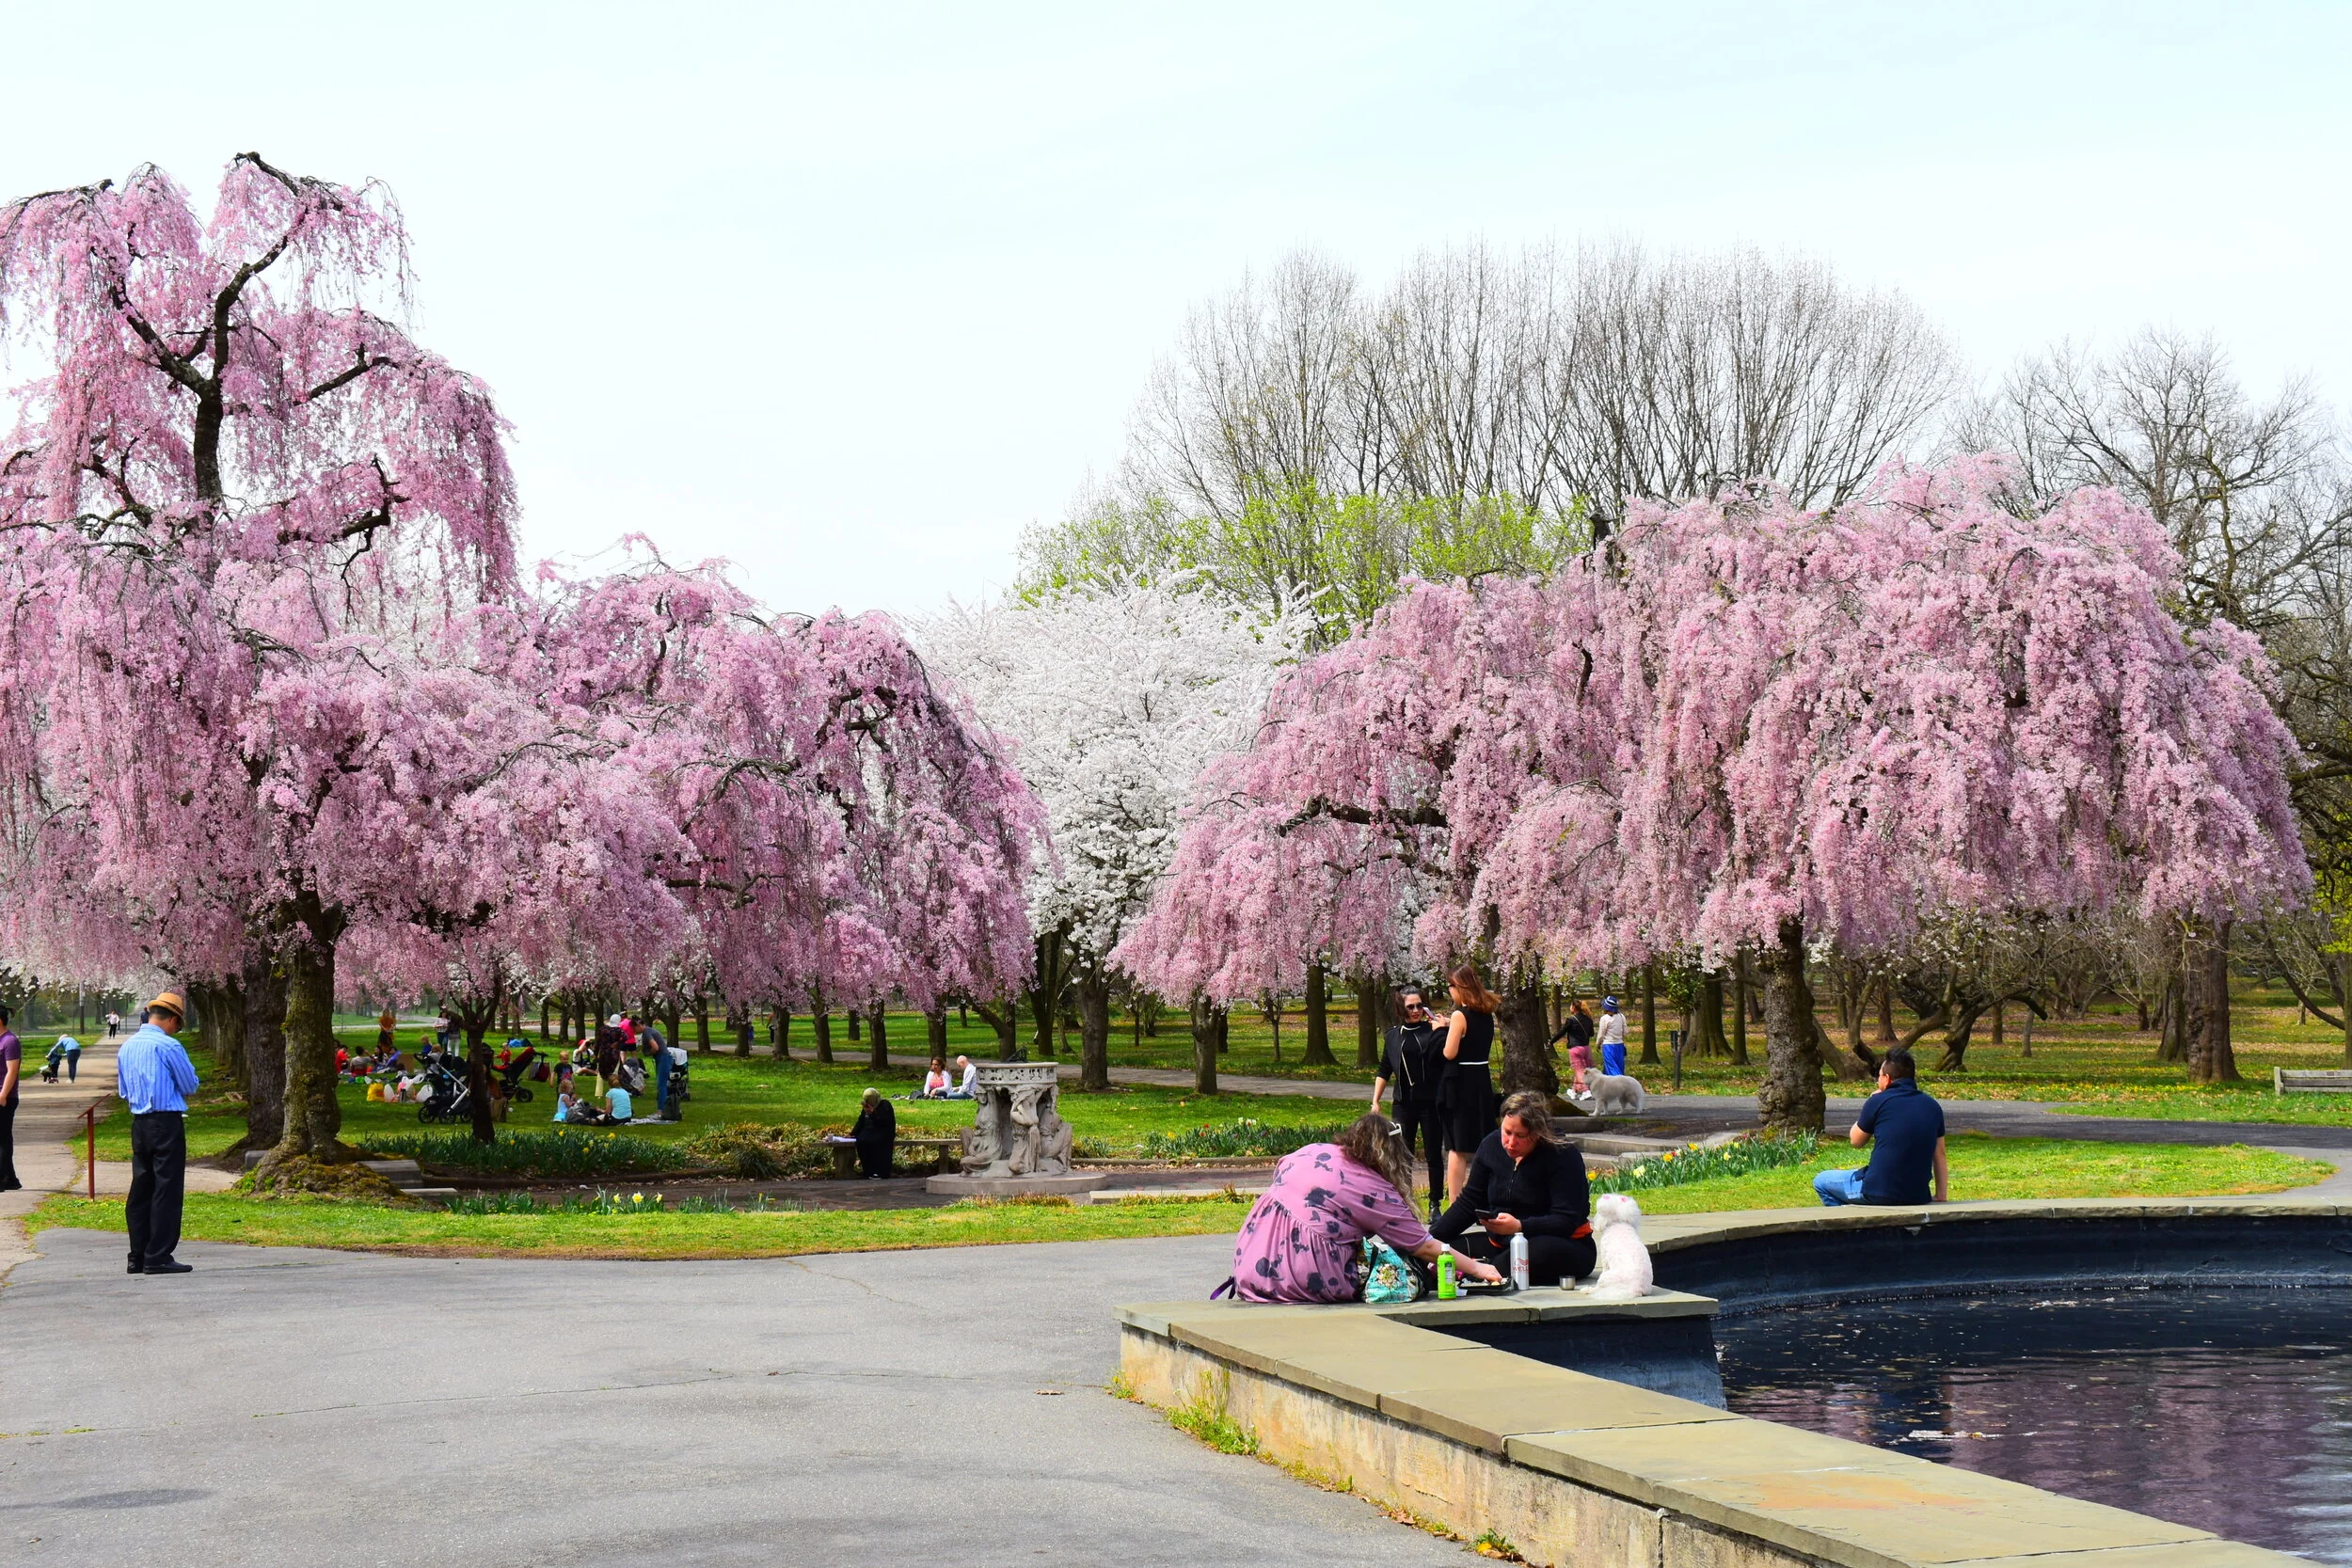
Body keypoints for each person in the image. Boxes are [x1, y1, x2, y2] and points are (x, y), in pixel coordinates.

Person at [1227, 1113, 1502, 1302]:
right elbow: (1423, 1246)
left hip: (1251, 1265)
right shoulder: (1372, 1188)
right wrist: (1477, 1269)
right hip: (1303, 1276)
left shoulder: (1310, 1151)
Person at [1432, 1089, 1597, 1287]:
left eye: (1520, 1136)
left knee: (1511, 1261)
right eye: (1507, 1132)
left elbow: (1566, 1220)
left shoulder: (1563, 1155)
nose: (1510, 1143)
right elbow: (1469, 1202)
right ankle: (1473, 1273)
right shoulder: (1491, 1146)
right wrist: (1428, 1239)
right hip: (1500, 1243)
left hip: (1562, 1244)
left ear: (1537, 1134)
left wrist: (1520, 1226)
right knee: (1443, 1253)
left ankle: (1479, 1276)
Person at [118, 990, 199, 1275]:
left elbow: (123, 1091)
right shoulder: (168, 1046)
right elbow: (190, 1084)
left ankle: (137, 1255)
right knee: (167, 1188)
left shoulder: (127, 1047)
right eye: (179, 1024)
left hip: (139, 1123)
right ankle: (159, 1255)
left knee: (141, 1187)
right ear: (172, 1020)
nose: (177, 1029)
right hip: (165, 1122)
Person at [1814, 1048, 1948, 1207]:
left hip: (1878, 1191)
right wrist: (1941, 1195)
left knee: (1821, 1181)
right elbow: (1940, 1154)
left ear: (1887, 1078)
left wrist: (1870, 1102)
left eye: (1879, 1075)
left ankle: (1847, 1227)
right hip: (1918, 1195)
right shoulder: (1932, 1106)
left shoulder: (1878, 1101)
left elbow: (1856, 1140)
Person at [1370, 987, 1445, 1217]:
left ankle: (1435, 1204)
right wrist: (1376, 1101)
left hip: (1431, 1103)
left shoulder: (1433, 1031)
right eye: (1410, 1006)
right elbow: (1385, 1069)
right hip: (1403, 1104)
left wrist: (1443, 1028)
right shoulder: (1393, 1036)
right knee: (1403, 1153)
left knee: (1433, 1153)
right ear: (1401, 1008)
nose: (1415, 1010)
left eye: (1419, 1005)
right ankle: (1405, 1201)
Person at [1437, 963, 1501, 1204]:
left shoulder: (1459, 1015)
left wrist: (1442, 1031)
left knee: (1457, 1146)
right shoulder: (1486, 1013)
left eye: (1450, 986)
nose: (1449, 991)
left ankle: (1455, 1202)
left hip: (1460, 1084)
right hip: (1481, 1080)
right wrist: (1448, 1026)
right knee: (1483, 1141)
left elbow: (1449, 1052)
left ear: (1460, 987)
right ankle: (1484, 1196)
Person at [1550, 1000, 1596, 1092]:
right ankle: (1574, 1090)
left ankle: (1585, 1090)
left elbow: (1561, 1032)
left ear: (1574, 1008)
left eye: (1571, 1006)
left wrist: (1551, 1042)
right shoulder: (1588, 1019)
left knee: (1579, 1070)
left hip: (1575, 1048)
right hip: (1586, 1048)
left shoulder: (1571, 1020)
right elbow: (1591, 1034)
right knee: (1584, 1069)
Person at [851, 1086, 896, 1179]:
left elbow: (885, 1122)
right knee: (861, 1141)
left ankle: (879, 1172)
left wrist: (873, 1114)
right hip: (870, 1133)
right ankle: (868, 1171)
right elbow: (861, 1121)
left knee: (875, 1143)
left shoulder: (884, 1105)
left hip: (883, 1133)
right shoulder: (867, 1107)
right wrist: (852, 1133)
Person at [0, 1007, 19, 1193]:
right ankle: (10, 1178)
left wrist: (3, 1095)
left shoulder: (10, 1041)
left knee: (3, 1138)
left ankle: (3, 1179)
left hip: (5, 1096)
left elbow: (11, 1071)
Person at [1596, 996, 1628, 1078]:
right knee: (1619, 1066)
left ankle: (1619, 1084)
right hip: (1620, 1045)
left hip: (1608, 1046)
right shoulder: (1621, 1016)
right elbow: (1625, 1032)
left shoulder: (1604, 1019)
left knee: (1612, 1067)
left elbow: (1601, 1035)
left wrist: (1598, 1044)